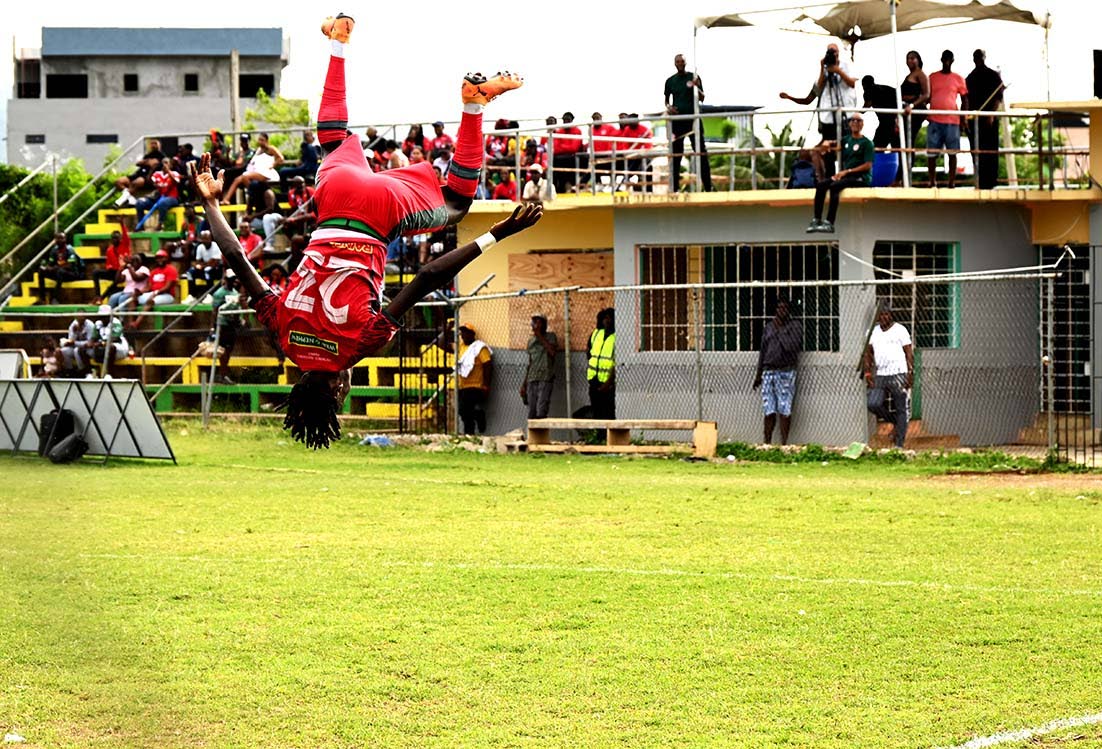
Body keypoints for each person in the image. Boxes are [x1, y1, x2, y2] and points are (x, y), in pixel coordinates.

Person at [189, 13, 539, 449]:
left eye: (341, 394)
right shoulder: (281, 333)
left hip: (379, 215)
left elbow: (427, 277)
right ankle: (338, 43)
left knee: (457, 201)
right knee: (332, 139)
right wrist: (208, 201)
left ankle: (474, 105)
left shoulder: (358, 348)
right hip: (333, 199)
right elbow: (238, 259)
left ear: (337, 389)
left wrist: (495, 234)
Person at [781, 43, 858, 178]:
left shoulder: (846, 66)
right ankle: (827, 178)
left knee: (846, 148)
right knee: (825, 151)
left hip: (845, 117)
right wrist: (823, 67)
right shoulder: (825, 70)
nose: (833, 55)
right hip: (828, 118)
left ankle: (846, 176)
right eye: (830, 52)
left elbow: (852, 83)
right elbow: (813, 94)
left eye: (835, 52)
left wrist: (838, 70)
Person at [807, 112, 873, 233]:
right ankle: (816, 220)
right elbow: (835, 144)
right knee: (821, 185)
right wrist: (828, 143)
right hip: (846, 176)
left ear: (862, 124)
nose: (855, 123)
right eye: (853, 120)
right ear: (849, 124)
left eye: (858, 121)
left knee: (834, 187)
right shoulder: (846, 140)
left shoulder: (867, 143)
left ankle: (829, 223)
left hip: (860, 178)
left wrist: (847, 171)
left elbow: (868, 166)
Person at [864, 301, 914, 449]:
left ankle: (899, 444)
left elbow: (909, 353)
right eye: (881, 314)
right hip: (881, 374)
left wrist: (911, 372)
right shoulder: (873, 332)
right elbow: (868, 353)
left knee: (901, 408)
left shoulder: (900, 330)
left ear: (891, 315)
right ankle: (896, 423)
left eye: (886, 314)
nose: (883, 317)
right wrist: (868, 372)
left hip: (899, 373)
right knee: (873, 403)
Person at [753, 299, 802, 445]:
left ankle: (783, 444)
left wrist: (780, 329)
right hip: (769, 371)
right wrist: (758, 374)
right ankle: (767, 443)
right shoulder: (768, 327)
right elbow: (763, 350)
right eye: (779, 308)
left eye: (785, 308)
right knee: (769, 409)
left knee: (784, 408)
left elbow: (791, 347)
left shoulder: (795, 326)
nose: (782, 311)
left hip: (786, 371)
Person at [665, 54, 713, 192]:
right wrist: (669, 107)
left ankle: (708, 187)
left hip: (693, 119)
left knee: (701, 153)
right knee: (676, 155)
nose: (680, 64)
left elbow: (702, 97)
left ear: (685, 63)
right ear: (675, 63)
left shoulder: (693, 77)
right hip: (678, 121)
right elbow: (667, 100)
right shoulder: (670, 81)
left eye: (682, 62)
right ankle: (674, 188)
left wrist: (696, 86)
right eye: (678, 62)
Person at [927, 49, 969, 188]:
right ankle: (932, 181)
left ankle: (951, 182)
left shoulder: (958, 78)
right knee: (932, 153)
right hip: (934, 119)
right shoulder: (932, 77)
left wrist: (964, 118)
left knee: (952, 152)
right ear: (941, 60)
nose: (946, 61)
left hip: (952, 121)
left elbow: (965, 99)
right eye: (944, 58)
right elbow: (926, 96)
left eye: (949, 59)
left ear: (952, 61)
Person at [965, 49, 1005, 190]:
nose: (978, 60)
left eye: (980, 57)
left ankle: (991, 181)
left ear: (984, 58)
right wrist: (966, 117)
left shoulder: (993, 75)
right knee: (976, 149)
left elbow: (998, 96)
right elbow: (966, 99)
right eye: (976, 57)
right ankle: (980, 181)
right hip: (974, 119)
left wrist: (991, 114)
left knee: (990, 149)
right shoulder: (970, 78)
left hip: (989, 119)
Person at [221, 132, 284, 205]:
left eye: (262, 140)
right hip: (256, 171)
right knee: (237, 179)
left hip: (266, 173)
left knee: (245, 177)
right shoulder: (258, 150)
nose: (260, 142)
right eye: (259, 140)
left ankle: (254, 196)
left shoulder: (270, 149)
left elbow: (281, 158)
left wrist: (273, 165)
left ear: (266, 141)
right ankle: (226, 199)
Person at [455, 324, 492, 435]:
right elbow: (441, 344)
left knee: (465, 410)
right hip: (462, 386)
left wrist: (486, 384)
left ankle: (469, 433)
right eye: (462, 333)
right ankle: (477, 415)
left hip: (475, 386)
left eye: (466, 332)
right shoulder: (461, 347)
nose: (463, 335)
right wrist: (447, 328)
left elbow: (488, 365)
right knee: (463, 411)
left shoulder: (479, 347)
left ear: (472, 334)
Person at [129, 249, 178, 328]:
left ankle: (137, 323)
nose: (160, 260)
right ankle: (131, 323)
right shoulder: (154, 271)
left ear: (166, 258)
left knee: (150, 301)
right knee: (134, 298)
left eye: (162, 257)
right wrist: (140, 292)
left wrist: (156, 293)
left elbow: (167, 287)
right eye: (158, 258)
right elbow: (149, 287)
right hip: (154, 293)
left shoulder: (171, 269)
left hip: (167, 295)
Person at [521, 314, 558, 419]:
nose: (536, 324)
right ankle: (533, 435)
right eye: (534, 322)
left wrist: (539, 335)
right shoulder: (531, 341)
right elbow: (530, 362)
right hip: (532, 377)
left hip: (545, 377)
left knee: (541, 409)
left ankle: (541, 434)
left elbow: (552, 352)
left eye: (538, 322)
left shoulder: (550, 336)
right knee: (531, 410)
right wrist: (524, 384)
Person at [901, 50, 931, 174]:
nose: (911, 60)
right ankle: (903, 172)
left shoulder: (920, 74)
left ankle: (907, 172)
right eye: (909, 58)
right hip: (906, 110)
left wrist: (912, 105)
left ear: (918, 60)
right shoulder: (910, 74)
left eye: (913, 58)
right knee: (904, 141)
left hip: (915, 111)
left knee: (909, 140)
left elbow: (926, 94)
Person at [114, 138, 165, 206]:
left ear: (159, 145)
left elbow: (154, 164)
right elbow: (138, 163)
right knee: (119, 182)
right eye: (152, 143)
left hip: (149, 177)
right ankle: (131, 199)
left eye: (155, 143)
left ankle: (119, 201)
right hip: (138, 174)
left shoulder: (161, 156)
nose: (153, 145)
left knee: (138, 182)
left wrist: (147, 162)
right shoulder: (148, 155)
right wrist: (147, 162)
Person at [134, 158, 182, 231]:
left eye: (166, 163)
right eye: (163, 163)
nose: (164, 165)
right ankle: (140, 226)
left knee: (163, 203)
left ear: (170, 165)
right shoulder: (157, 174)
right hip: (158, 198)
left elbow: (177, 182)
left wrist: (168, 172)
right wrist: (152, 169)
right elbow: (150, 181)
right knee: (140, 203)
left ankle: (160, 224)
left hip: (172, 198)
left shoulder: (174, 173)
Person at [37, 232, 84, 304]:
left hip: (72, 274)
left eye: (62, 238)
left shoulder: (70, 250)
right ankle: (42, 298)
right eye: (58, 238)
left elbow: (70, 266)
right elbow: (51, 263)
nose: (59, 240)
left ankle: (54, 298)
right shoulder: (54, 250)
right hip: (58, 273)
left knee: (60, 271)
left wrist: (55, 268)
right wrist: (47, 268)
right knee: (41, 270)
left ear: (65, 239)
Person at [587, 307, 615, 419]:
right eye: (605, 318)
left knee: (608, 412)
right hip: (593, 380)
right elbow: (589, 352)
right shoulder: (596, 334)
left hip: (608, 383)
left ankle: (607, 436)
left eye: (609, 318)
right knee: (596, 412)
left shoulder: (617, 337)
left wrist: (608, 382)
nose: (606, 321)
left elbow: (617, 363)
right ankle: (598, 436)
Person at [861, 75, 900, 152]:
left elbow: (866, 106)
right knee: (897, 149)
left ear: (864, 85)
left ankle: (876, 164)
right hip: (897, 121)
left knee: (876, 149)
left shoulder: (868, 91)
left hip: (886, 124)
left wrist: (856, 112)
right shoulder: (887, 88)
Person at [93, 226, 131, 303]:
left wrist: (121, 223)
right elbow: (108, 264)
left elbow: (125, 235)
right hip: (113, 271)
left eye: (116, 238)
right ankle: (97, 295)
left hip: (123, 272)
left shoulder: (125, 245)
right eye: (113, 238)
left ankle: (102, 297)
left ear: (120, 239)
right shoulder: (109, 250)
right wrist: (109, 267)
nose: (115, 240)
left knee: (116, 281)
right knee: (95, 272)